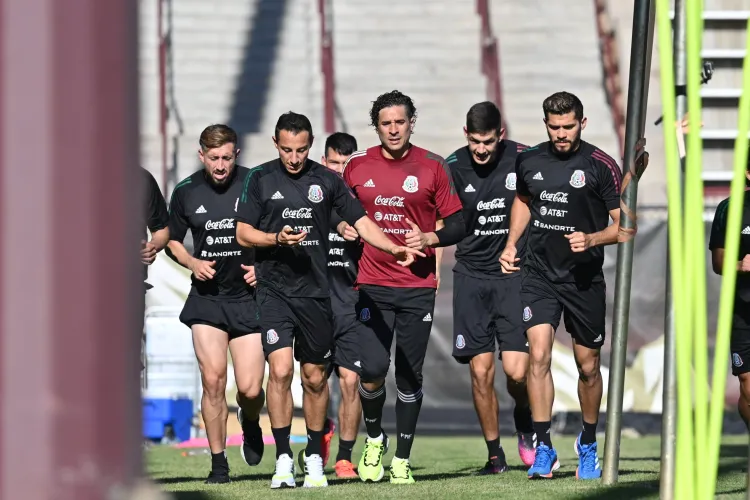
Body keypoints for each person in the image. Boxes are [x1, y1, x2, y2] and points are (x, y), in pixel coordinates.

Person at [235, 112, 423, 489]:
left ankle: (317, 458)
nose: (294, 157)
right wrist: (276, 240)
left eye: (301, 149)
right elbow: (242, 233)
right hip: (274, 291)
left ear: (310, 145)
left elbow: (362, 220)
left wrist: (392, 247)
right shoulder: (260, 178)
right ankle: (284, 459)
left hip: (316, 295)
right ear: (276, 144)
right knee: (282, 371)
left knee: (315, 378)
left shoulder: (325, 182)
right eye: (287, 150)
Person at [343, 90, 466, 484]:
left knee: (410, 374)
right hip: (372, 284)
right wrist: (342, 226)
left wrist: (430, 239)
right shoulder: (357, 166)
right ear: (375, 126)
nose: (393, 129)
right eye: (385, 123)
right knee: (374, 369)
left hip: (418, 287)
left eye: (400, 122)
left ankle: (402, 459)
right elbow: (337, 213)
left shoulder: (433, 166)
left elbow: (460, 224)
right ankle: (375, 437)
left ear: (412, 122)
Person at [499, 91, 622, 480]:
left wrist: (592, 239)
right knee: (538, 356)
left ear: (582, 124)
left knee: (588, 366)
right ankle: (544, 446)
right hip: (539, 275)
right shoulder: (530, 160)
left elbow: (625, 226)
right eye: (554, 127)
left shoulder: (601, 165)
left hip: (584, 280)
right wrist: (510, 242)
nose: (561, 134)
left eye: (568, 126)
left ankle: (587, 442)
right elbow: (523, 200)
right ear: (546, 125)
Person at [166, 124, 266, 484]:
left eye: (226, 157)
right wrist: (192, 262)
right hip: (208, 300)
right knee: (212, 380)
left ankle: (250, 420)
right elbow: (171, 240)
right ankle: (218, 463)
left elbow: (272, 233)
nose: (220, 165)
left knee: (251, 389)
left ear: (236, 154)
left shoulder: (256, 183)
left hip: (247, 299)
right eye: (213, 158)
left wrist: (260, 268)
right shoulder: (186, 191)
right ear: (201, 156)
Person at [445, 101, 535, 473]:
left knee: (516, 372)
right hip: (470, 277)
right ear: (466, 136)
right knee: (481, 371)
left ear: (502, 134)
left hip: (514, 276)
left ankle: (526, 416)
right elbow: (435, 218)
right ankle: (494, 454)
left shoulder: (525, 158)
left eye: (488, 141)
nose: (481, 149)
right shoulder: (450, 167)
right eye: (475, 142)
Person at [321, 132, 364, 478]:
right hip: (316, 305)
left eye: (346, 163)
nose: (339, 170)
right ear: (324, 162)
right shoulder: (311, 197)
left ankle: (345, 457)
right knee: (315, 380)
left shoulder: (362, 203)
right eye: (334, 162)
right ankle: (320, 433)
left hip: (353, 304)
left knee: (350, 381)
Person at [709, 147, 750, 430]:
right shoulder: (730, 209)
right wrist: (740, 265)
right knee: (746, 381)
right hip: (742, 307)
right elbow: (719, 262)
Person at [140, 167, 170, 389]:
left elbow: (161, 230)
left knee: (127, 360)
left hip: (127, 286)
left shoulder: (140, 178)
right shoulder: (73, 174)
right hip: (79, 289)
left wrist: (152, 247)